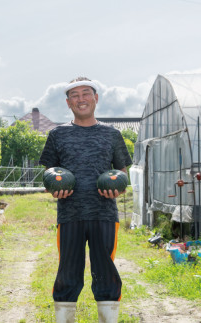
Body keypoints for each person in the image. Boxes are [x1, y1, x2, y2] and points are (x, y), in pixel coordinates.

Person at [39, 77, 132, 323]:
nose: (81, 99)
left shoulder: (112, 135)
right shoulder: (57, 134)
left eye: (86, 93)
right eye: (75, 95)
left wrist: (118, 189)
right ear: (68, 103)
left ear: (96, 98)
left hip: (104, 215)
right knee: (68, 273)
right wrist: (54, 190)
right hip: (70, 215)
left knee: (106, 272)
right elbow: (50, 174)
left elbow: (122, 174)